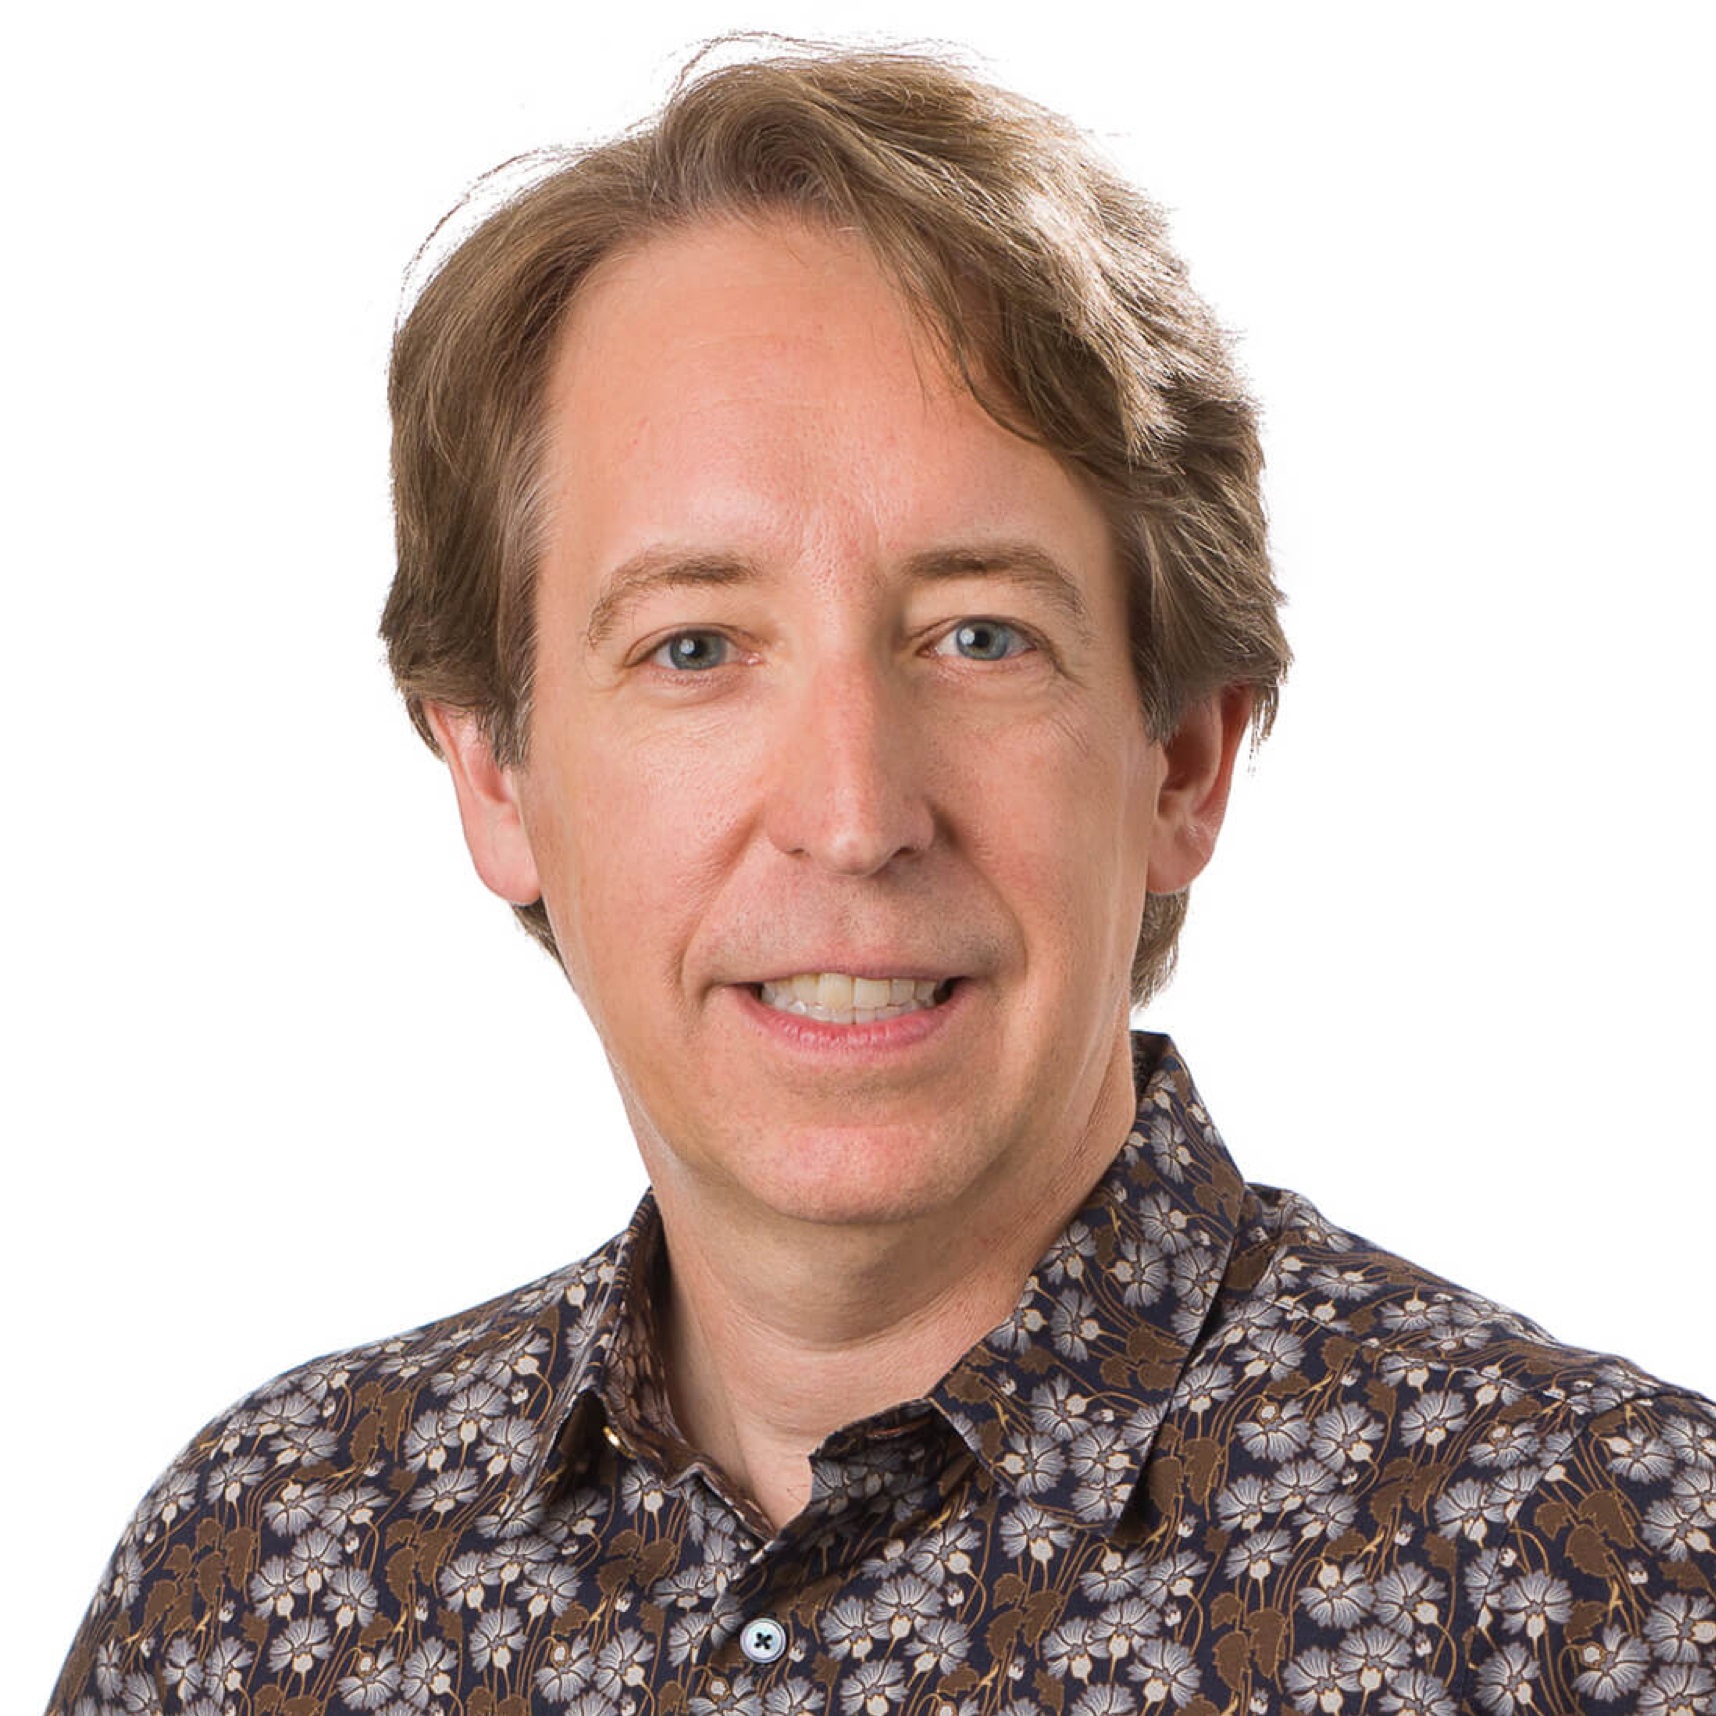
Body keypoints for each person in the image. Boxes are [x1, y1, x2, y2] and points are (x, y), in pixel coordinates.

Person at [49, 44, 1716, 1716]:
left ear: (1184, 761)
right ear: (496, 772)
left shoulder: (1606, 1588)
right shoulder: (252, 1587)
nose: (853, 817)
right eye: (695, 647)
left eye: (980, 636)